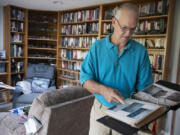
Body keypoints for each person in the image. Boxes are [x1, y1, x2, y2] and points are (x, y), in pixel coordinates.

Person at [80, 2, 153, 135]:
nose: (128, 34)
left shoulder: (141, 52)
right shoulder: (97, 47)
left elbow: (144, 90)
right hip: (100, 109)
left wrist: (144, 121)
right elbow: (85, 80)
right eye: (124, 27)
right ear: (114, 22)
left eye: (132, 29)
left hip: (127, 111)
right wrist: (103, 90)